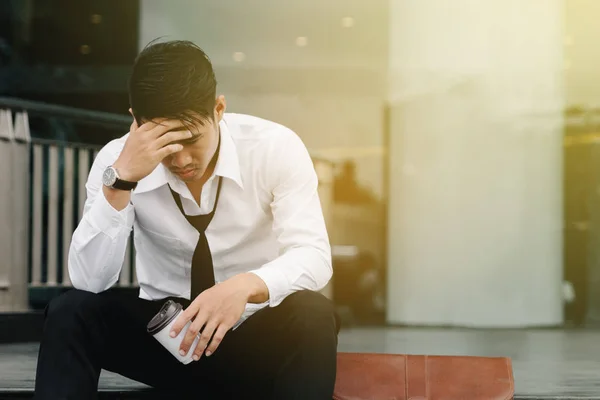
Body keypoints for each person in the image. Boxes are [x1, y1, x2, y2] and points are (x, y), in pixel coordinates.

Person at [34, 39, 339, 400]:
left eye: (191, 138)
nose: (180, 160)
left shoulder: (274, 147)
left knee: (314, 314)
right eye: (165, 143)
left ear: (219, 108)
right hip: (165, 340)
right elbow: (89, 281)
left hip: (253, 340)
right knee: (71, 311)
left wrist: (244, 286)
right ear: (136, 122)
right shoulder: (116, 163)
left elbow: (313, 255)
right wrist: (121, 183)